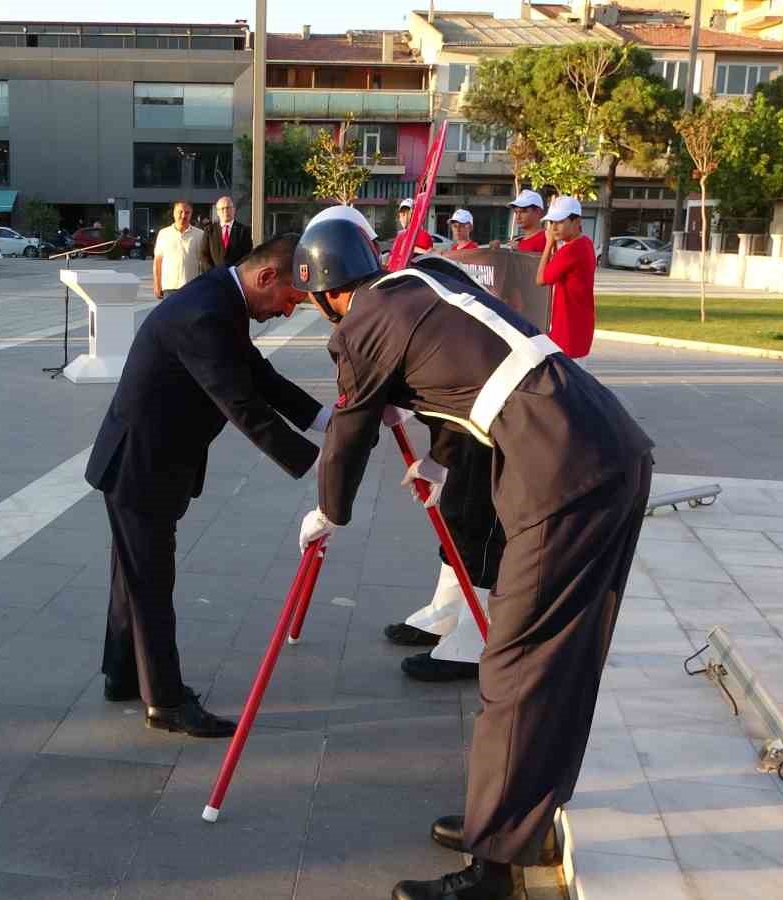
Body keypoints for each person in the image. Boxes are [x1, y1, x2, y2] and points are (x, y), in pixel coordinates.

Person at [292, 216, 653, 900]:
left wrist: (327, 513)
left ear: (324, 292)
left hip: (559, 469)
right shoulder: (432, 276)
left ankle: (492, 871)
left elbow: (348, 433)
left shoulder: (361, 323)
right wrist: (437, 459)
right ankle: (520, 821)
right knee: (563, 661)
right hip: (608, 443)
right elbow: (476, 381)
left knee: (514, 670)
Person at [86, 234, 330, 738]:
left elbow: (257, 374)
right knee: (151, 582)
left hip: (151, 460)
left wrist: (326, 418)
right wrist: (321, 462)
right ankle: (166, 703)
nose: (289, 312)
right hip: (142, 465)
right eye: (290, 299)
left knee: (133, 576)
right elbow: (240, 403)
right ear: (267, 277)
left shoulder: (222, 298)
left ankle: (122, 675)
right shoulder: (205, 311)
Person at [536, 196, 597, 359]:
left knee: (568, 382)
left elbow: (541, 279)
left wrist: (548, 244)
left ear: (577, 222)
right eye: (551, 222)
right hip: (578, 326)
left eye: (560, 222)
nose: (554, 228)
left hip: (568, 330)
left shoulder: (571, 250)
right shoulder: (586, 243)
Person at [153, 200, 204, 299]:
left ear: (191, 214)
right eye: (180, 212)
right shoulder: (163, 234)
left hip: (192, 287)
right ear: (174, 213)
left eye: (187, 212)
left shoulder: (200, 235)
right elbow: (157, 262)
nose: (183, 215)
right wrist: (157, 284)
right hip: (169, 288)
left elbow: (203, 263)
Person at [200, 195, 253, 271]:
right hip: (214, 277)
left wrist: (235, 272)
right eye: (222, 209)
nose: (225, 211)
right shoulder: (209, 230)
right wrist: (213, 273)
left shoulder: (243, 231)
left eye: (228, 208)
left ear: (234, 210)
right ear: (217, 212)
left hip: (235, 276)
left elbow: (247, 255)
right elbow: (204, 254)